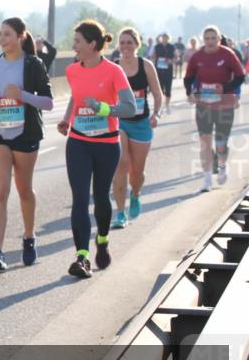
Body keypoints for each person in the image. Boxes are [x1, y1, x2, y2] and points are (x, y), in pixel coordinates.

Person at [57, 21, 137, 278]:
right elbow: (76, 96)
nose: (73, 46)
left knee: (101, 197)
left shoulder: (114, 71)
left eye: (77, 41)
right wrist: (67, 119)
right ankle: (82, 257)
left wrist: (104, 109)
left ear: (92, 44)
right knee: (79, 199)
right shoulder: (72, 70)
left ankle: (102, 240)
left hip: (106, 144)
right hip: (78, 141)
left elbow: (130, 107)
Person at [0, 18, 53, 271]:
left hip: (25, 133)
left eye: (7, 34)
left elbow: (48, 102)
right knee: (0, 191)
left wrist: (22, 95)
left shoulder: (33, 64)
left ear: (20, 36)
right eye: (0, 34)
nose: (2, 39)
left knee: (24, 190)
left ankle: (29, 237)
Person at [110, 28, 163, 228]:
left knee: (137, 172)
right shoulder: (114, 67)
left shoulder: (146, 65)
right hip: (120, 122)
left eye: (129, 43)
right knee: (121, 164)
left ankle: (136, 194)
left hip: (141, 123)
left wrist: (156, 114)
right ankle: (120, 213)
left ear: (137, 45)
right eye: (122, 42)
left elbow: (157, 94)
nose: (125, 47)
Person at [184, 25, 245, 192]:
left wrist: (225, 88)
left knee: (220, 143)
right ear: (203, 40)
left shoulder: (228, 54)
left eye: (213, 38)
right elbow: (188, 77)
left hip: (224, 103)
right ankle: (207, 181)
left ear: (219, 39)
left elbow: (240, 76)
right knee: (205, 142)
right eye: (207, 38)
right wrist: (190, 93)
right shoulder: (197, 56)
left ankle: (222, 165)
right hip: (204, 104)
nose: (210, 41)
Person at [152, 33, 176, 114]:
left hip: (168, 71)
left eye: (166, 37)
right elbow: (154, 57)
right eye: (163, 37)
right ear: (161, 38)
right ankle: (161, 107)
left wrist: (171, 61)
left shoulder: (172, 46)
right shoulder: (157, 46)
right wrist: (153, 66)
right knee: (160, 89)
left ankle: (167, 105)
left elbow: (176, 57)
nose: (164, 38)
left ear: (168, 38)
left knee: (168, 89)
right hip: (159, 70)